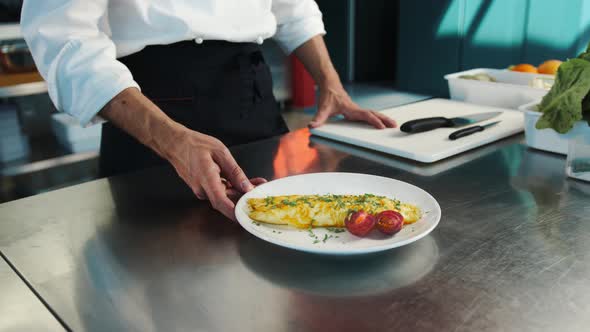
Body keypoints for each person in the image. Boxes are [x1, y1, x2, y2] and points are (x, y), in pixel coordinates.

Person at [21, 0, 397, 220]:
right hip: (152, 117)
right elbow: (62, 34)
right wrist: (171, 138)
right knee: (156, 279)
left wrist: (331, 85)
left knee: (267, 247)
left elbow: (292, 6)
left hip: (253, 99)